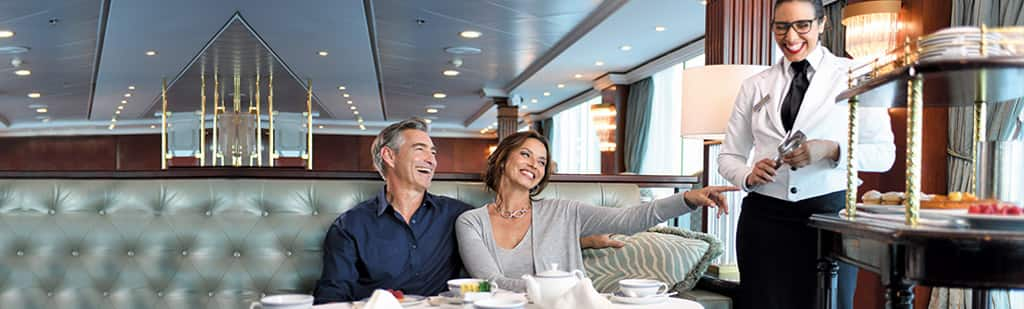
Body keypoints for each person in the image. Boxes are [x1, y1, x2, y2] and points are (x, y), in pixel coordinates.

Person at [313, 119, 622, 304]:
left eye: (434, 152)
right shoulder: (351, 226)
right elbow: (331, 296)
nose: (432, 158)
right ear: (389, 156)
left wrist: (584, 240)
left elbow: (507, 233)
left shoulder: (459, 216)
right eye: (420, 149)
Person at [717, 1, 896, 308]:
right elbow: (728, 157)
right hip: (764, 220)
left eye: (802, 25)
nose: (791, 37)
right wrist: (747, 174)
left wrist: (832, 150)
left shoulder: (854, 75)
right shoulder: (754, 85)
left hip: (829, 219)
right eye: (781, 27)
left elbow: (884, 154)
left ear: (822, 23)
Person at [455, 131, 738, 292]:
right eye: (526, 155)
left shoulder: (565, 212)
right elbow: (489, 282)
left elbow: (628, 219)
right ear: (503, 159)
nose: (534, 165)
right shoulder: (471, 222)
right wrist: (555, 291)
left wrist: (687, 199)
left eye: (541, 161)